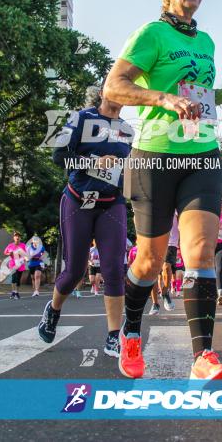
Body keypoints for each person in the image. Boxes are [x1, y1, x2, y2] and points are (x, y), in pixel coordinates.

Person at [105, 0, 222, 380]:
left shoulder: (205, 41)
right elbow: (114, 87)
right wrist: (163, 100)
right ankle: (131, 331)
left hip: (201, 153)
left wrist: (221, 95)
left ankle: (203, 358)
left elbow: (194, 94)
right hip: (154, 156)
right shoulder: (151, 34)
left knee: (200, 253)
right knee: (149, 261)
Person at [37, 84, 133, 358]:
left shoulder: (127, 130)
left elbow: (127, 171)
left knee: (114, 270)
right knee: (75, 271)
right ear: (102, 92)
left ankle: (114, 336)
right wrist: (93, 162)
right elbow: (59, 156)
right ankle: (53, 310)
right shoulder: (80, 119)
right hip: (78, 200)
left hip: (110, 204)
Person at [160, 212, 179, 310]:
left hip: (171, 243)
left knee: (167, 267)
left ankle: (165, 291)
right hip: (156, 240)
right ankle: (155, 303)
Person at [4, 232, 27, 300]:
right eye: (16, 236)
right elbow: (5, 252)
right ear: (14, 238)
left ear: (20, 238)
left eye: (18, 236)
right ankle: (13, 292)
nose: (17, 237)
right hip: (13, 264)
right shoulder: (10, 245)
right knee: (13, 278)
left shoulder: (23, 245)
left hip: (20, 264)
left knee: (18, 279)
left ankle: (17, 292)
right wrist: (9, 253)